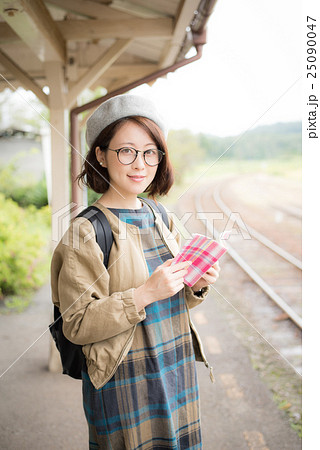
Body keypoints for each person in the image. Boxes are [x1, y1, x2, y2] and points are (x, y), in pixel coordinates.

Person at [50, 94, 221, 449]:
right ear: (101, 154)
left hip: (175, 367)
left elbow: (174, 296)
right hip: (123, 379)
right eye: (126, 151)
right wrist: (145, 293)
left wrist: (196, 285)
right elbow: (77, 324)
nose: (140, 163)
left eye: (150, 152)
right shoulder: (86, 231)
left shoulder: (160, 215)